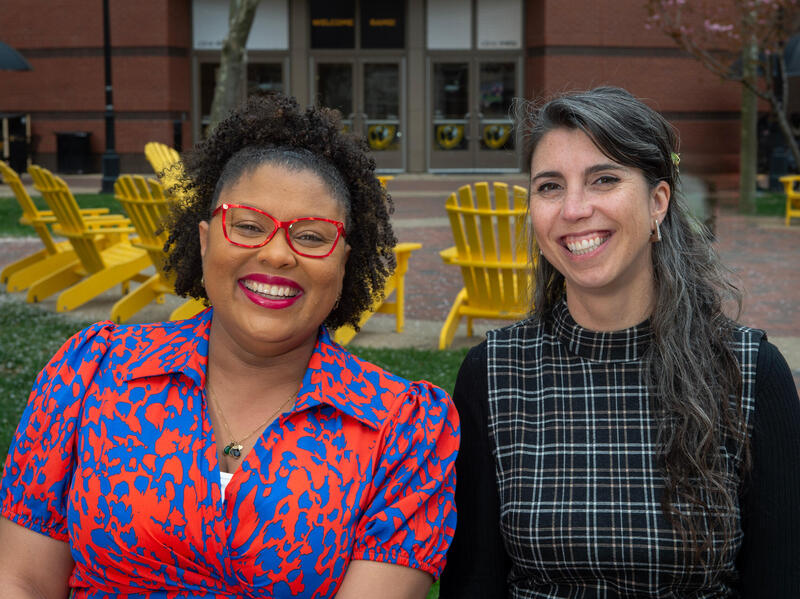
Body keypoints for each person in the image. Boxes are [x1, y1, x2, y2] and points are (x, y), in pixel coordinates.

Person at [0, 94, 459, 598]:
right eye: (247, 226)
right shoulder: (92, 372)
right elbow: (21, 579)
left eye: (311, 236)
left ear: (344, 262)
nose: (277, 253)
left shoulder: (403, 428)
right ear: (204, 240)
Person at [439, 86, 800, 597]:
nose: (574, 209)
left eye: (603, 179)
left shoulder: (748, 371)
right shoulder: (493, 374)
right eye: (550, 187)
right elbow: (474, 581)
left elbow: (782, 578)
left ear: (658, 201)